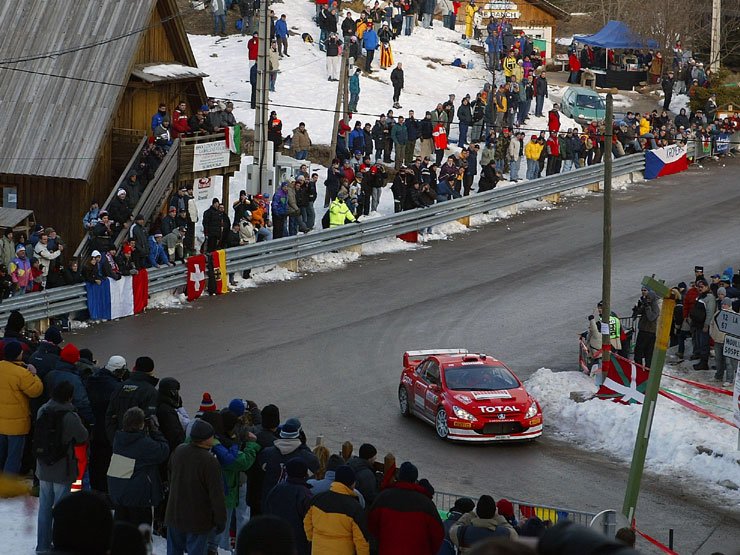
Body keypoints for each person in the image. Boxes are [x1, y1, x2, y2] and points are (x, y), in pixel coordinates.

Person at [35, 380, 90, 553]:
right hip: (62, 469)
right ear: (69, 397)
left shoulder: (42, 410)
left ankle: (42, 546)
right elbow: (83, 436)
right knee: (61, 510)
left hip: (43, 466)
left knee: (44, 508)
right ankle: (59, 546)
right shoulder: (70, 416)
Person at [166, 419, 227, 555]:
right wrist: (220, 519)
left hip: (174, 513)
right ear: (205, 439)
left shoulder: (179, 450)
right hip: (198, 519)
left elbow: (170, 474)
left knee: (173, 550)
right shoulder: (210, 461)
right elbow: (216, 494)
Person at [108, 407, 170, 528]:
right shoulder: (143, 444)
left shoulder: (118, 439)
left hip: (120, 493)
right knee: (142, 534)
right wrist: (155, 431)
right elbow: (163, 450)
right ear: (141, 424)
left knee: (121, 531)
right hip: (139, 497)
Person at [367, 462, 444, 554]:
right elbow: (438, 534)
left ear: (399, 476)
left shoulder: (383, 497)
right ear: (415, 479)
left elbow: (371, 525)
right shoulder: (426, 503)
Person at [304, 465, 370, 555]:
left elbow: (307, 523)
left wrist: (313, 538)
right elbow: (361, 540)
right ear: (352, 483)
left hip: (318, 549)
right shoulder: (354, 507)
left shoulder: (317, 499)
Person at [85, 355, 128, 493]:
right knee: (108, 462)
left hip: (93, 427)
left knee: (96, 461)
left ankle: (96, 489)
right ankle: (107, 491)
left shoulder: (93, 379)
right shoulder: (116, 387)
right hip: (108, 430)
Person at [0, 341, 43, 474]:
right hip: (17, 425)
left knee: (1, 455)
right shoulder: (22, 373)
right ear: (19, 354)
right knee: (13, 458)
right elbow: (36, 391)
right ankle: (7, 488)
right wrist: (34, 374)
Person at [257, 418, 320, 508]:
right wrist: (303, 445)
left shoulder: (267, 453)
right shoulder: (307, 457)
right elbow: (315, 466)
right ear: (300, 435)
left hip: (270, 503)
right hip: (294, 506)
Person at [264, 458, 312, 555]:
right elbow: (309, 519)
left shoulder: (276, 488)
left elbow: (267, 510)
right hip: (298, 542)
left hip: (276, 537)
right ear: (304, 474)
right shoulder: (305, 493)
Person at [105, 356, 159, 442]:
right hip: (140, 443)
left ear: (135, 368)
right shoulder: (151, 391)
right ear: (151, 372)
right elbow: (151, 421)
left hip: (120, 440)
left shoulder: (120, 387)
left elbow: (110, 415)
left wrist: (114, 439)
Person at [450, 495, 518, 552]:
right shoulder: (505, 533)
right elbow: (513, 533)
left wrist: (471, 513)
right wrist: (497, 516)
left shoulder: (462, 532)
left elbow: (453, 529)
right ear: (494, 512)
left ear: (477, 511)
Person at [690, 279, 715, 371]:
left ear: (707, 287)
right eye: (698, 287)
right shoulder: (700, 296)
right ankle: (701, 361)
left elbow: (710, 312)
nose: (700, 289)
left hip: (704, 326)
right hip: (697, 324)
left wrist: (706, 325)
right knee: (700, 344)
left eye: (702, 287)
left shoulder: (710, 298)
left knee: (704, 344)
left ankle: (704, 363)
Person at [632, 286, 661, 368]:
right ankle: (638, 369)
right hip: (642, 330)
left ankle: (648, 370)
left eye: (645, 290)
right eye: (642, 290)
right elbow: (639, 313)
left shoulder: (654, 306)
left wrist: (647, 306)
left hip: (650, 332)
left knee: (648, 354)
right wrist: (637, 309)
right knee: (638, 352)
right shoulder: (645, 303)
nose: (643, 292)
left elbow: (651, 317)